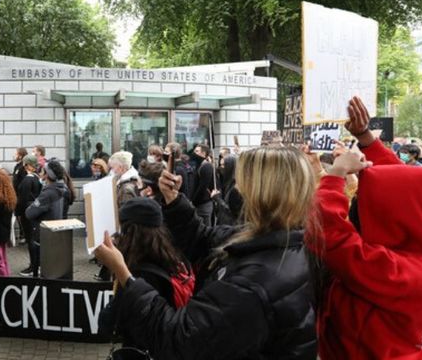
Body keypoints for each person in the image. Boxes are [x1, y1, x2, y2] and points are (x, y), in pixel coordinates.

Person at [95, 146, 317, 359]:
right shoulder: (277, 240)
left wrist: (124, 274)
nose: (237, 189)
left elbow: (178, 339)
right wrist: (173, 199)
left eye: (243, 182)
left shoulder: (252, 283)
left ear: (262, 193)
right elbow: (203, 239)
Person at [311, 96, 422, 359]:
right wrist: (366, 138)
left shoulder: (400, 273)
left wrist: (335, 177)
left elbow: (328, 234)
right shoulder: (421, 256)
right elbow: (404, 185)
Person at [99, 197, 194, 350]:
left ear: (130, 232)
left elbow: (107, 325)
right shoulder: (175, 258)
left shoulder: (136, 275)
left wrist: (118, 271)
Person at [24, 160, 69, 277]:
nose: (40, 172)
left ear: (47, 174)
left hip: (43, 236)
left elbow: (29, 213)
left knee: (44, 272)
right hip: (54, 234)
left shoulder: (48, 193)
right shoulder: (62, 188)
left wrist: (32, 204)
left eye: (43, 170)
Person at [16, 154, 42, 276]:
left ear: (27, 165)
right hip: (35, 212)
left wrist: (18, 213)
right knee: (34, 240)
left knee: (31, 240)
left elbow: (22, 199)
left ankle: (33, 267)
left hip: (27, 213)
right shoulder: (37, 178)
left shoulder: (28, 179)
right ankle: (37, 265)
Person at [190, 144, 214, 227]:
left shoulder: (206, 166)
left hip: (203, 204)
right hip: (199, 204)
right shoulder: (199, 165)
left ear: (204, 154)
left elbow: (202, 187)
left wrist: (193, 201)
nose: (194, 153)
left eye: (197, 151)